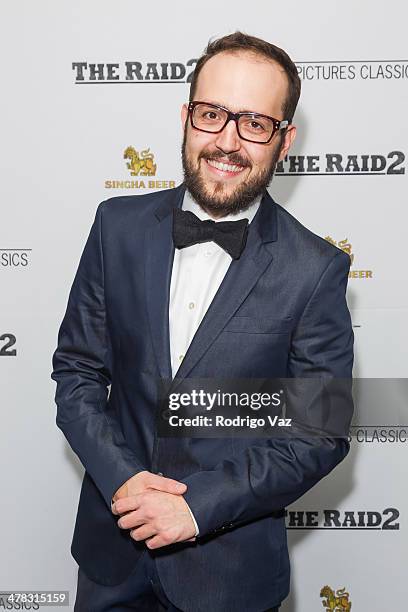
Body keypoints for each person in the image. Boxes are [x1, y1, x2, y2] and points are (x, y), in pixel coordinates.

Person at [51, 31, 354, 612]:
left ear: (285, 141)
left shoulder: (316, 269)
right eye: (212, 114)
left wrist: (195, 507)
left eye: (255, 123)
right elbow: (78, 373)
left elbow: (318, 433)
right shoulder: (116, 226)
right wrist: (124, 482)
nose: (227, 142)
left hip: (230, 578)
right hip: (111, 562)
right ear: (187, 116)